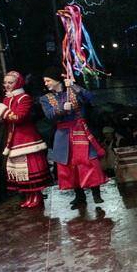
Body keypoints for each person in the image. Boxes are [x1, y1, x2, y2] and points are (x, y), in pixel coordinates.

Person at [40, 68, 108, 207]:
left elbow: (90, 97)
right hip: (63, 135)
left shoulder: (73, 91)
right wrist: (61, 109)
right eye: (45, 81)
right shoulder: (45, 98)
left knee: (89, 161)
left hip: (79, 130)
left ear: (57, 80)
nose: (46, 84)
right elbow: (49, 115)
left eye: (48, 80)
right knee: (70, 165)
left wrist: (73, 86)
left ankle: (96, 193)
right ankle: (79, 195)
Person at [0, 70, 52, 208]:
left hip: (26, 139)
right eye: (5, 83)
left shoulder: (24, 98)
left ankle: (37, 196)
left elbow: (18, 117)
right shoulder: (7, 99)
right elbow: (7, 119)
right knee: (20, 171)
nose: (7, 85)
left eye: (10, 82)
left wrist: (0, 108)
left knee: (29, 169)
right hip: (14, 139)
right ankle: (29, 196)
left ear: (18, 83)